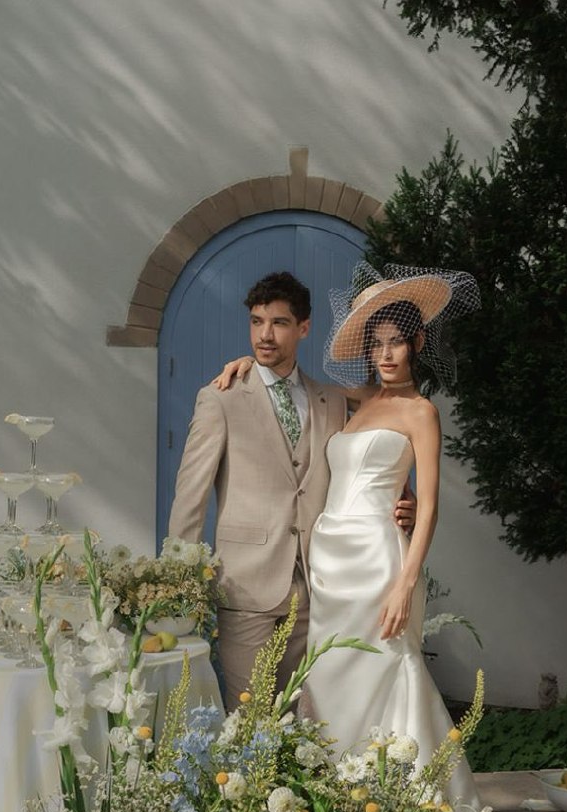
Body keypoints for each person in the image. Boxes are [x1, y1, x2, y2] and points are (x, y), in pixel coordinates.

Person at [217, 264, 567, 812]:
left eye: (397, 342)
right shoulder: (352, 403)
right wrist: (247, 361)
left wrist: (405, 582)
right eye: (377, 343)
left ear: (419, 347)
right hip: (329, 566)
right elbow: (289, 387)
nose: (386, 353)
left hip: (380, 567)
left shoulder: (421, 412)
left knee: (391, 679)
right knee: (330, 690)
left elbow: (428, 509)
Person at [167, 271, 415, 709]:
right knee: (250, 717)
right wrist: (177, 581)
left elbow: (377, 439)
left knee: (304, 718)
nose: (264, 335)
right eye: (256, 322)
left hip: (319, 587)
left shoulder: (331, 401)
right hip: (246, 586)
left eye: (279, 323)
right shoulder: (221, 397)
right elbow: (190, 495)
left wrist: (403, 495)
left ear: (303, 328)